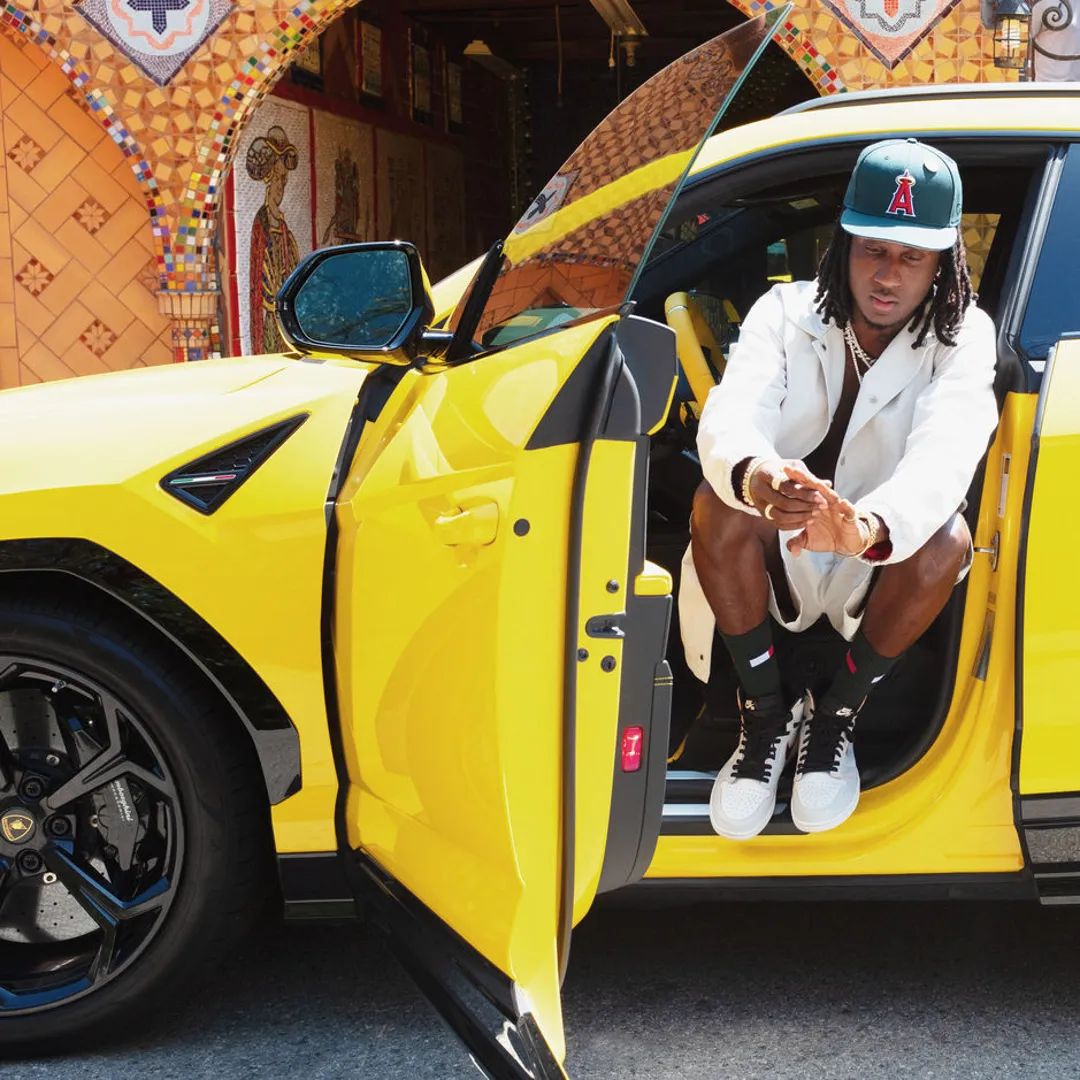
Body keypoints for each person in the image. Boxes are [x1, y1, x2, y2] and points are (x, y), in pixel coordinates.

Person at [678, 138, 998, 839]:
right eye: (873, 250)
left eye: (912, 257)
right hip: (782, 542)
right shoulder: (783, 310)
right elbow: (734, 413)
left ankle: (836, 716)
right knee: (716, 500)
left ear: (943, 264)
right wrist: (759, 479)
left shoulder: (964, 334)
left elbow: (949, 450)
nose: (887, 275)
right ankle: (765, 715)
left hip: (872, 559)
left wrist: (870, 528)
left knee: (945, 536)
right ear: (842, 246)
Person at [247, 126, 301, 355]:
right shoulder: (262, 227)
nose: (282, 187)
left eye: (285, 181)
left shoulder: (285, 230)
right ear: (269, 181)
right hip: (272, 322)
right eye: (279, 179)